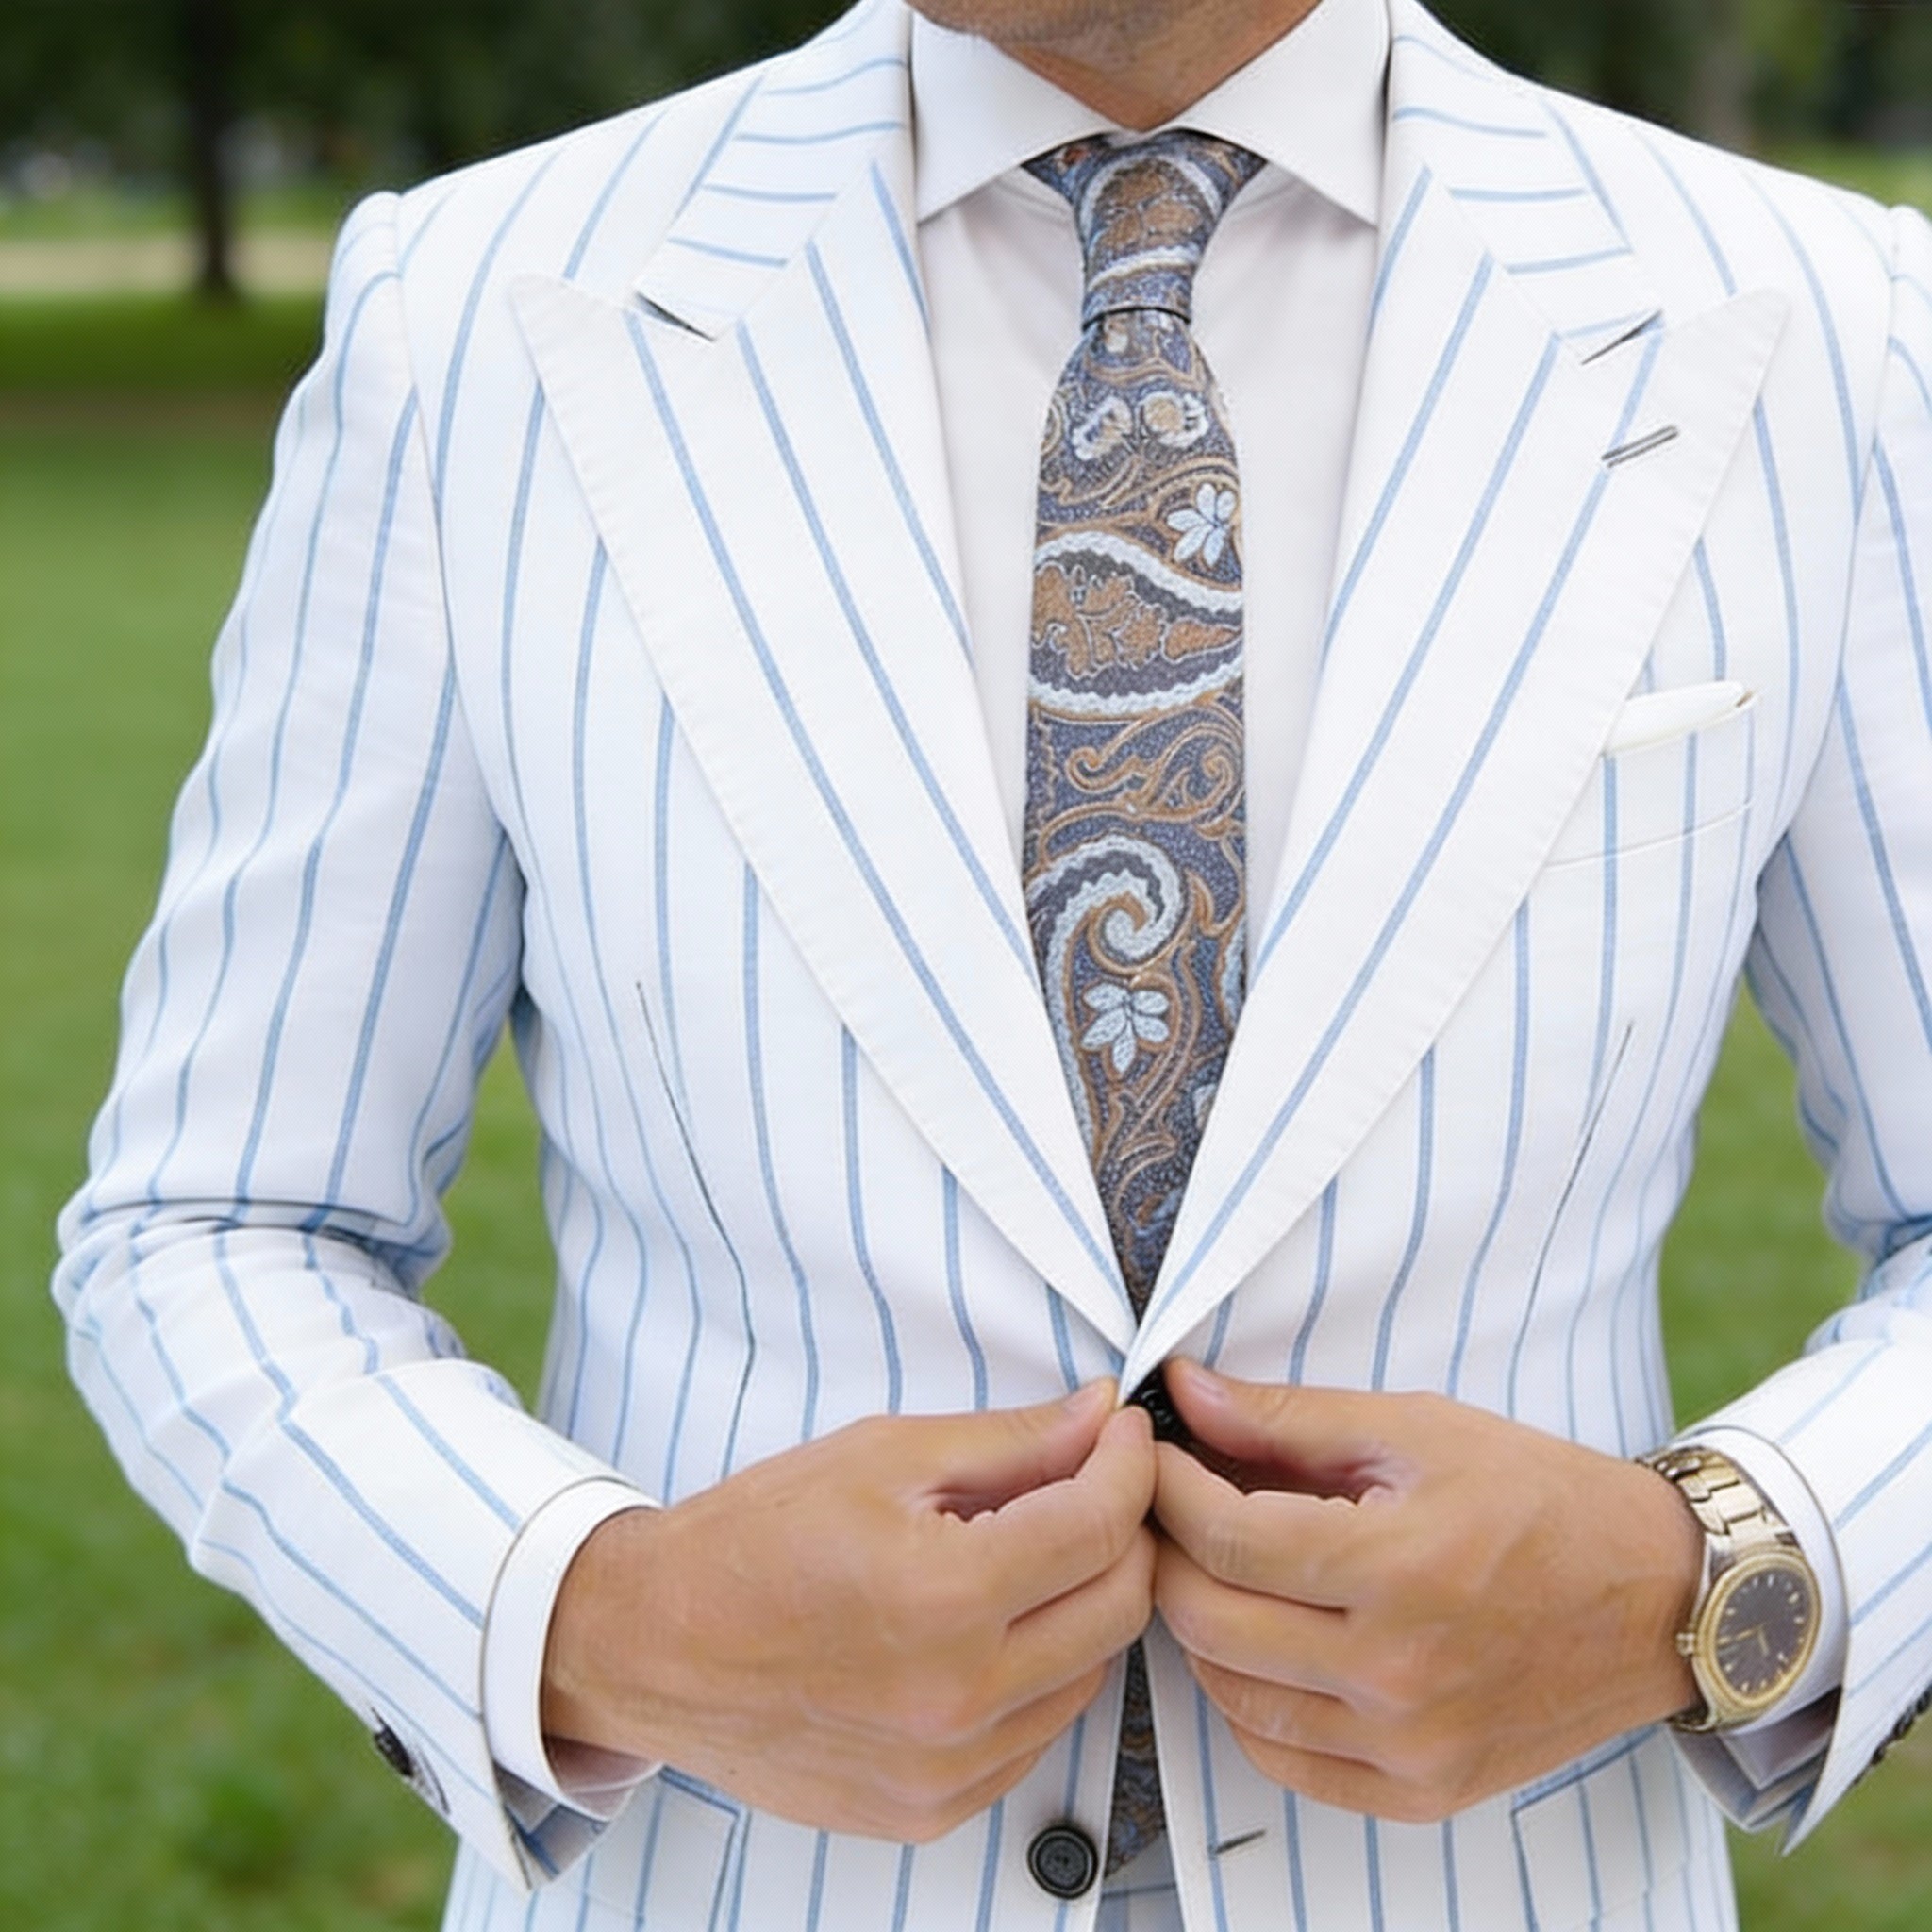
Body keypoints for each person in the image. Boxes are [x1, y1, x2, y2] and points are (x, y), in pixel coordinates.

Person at [53, 0, 1932, 1924]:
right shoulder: (475, 313)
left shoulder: (1821, 323)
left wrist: (1705, 1578)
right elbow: (219, 1220)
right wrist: (602, 1618)